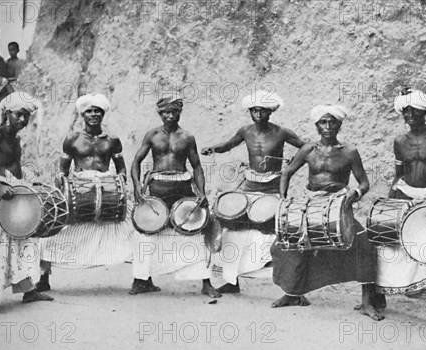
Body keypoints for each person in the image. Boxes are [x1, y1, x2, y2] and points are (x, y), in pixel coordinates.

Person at [270, 104, 384, 321]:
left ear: (339, 124)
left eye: (332, 122)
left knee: (365, 245)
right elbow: (287, 173)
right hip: (311, 204)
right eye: (323, 122)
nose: (328, 126)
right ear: (316, 125)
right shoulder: (308, 150)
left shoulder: (349, 152)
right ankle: (292, 293)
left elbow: (364, 182)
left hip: (338, 205)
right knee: (287, 242)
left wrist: (356, 193)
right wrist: (283, 200)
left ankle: (368, 302)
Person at [201, 89, 305, 293]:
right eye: (254, 110)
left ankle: (291, 288)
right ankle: (232, 282)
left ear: (270, 112)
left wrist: (296, 160)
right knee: (233, 229)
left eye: (262, 110)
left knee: (275, 231)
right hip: (250, 186)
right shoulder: (245, 131)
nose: (258, 114)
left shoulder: (282, 132)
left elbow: (306, 147)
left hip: (273, 187)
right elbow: (228, 145)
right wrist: (214, 148)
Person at [0, 92, 53, 322]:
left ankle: (29, 291)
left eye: (26, 116)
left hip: (15, 198)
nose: (23, 120)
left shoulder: (15, 140)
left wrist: (27, 179)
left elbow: (12, 166)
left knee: (22, 245)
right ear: (6, 114)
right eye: (19, 115)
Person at [37, 93, 133, 291]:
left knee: (136, 228)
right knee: (51, 231)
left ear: (103, 114)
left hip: (107, 188)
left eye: (97, 111)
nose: (93, 114)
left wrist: (121, 178)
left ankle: (143, 277)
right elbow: (62, 171)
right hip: (80, 189)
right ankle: (43, 277)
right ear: (83, 115)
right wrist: (62, 184)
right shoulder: (72, 139)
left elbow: (121, 168)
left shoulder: (112, 140)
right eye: (89, 111)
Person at [373, 89, 426, 307]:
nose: (410, 114)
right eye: (406, 110)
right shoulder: (400, 141)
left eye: (415, 110)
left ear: (424, 111)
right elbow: (399, 174)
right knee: (386, 240)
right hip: (404, 194)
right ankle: (378, 295)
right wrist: (390, 201)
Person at [130, 94, 220, 298]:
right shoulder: (152, 135)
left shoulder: (187, 137)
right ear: (159, 113)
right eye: (165, 112)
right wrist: (136, 186)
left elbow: (196, 166)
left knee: (195, 231)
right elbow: (136, 161)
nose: (170, 116)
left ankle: (206, 283)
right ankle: (141, 280)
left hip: (183, 190)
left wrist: (202, 192)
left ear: (180, 112)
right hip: (157, 191)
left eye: (174, 112)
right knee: (146, 232)